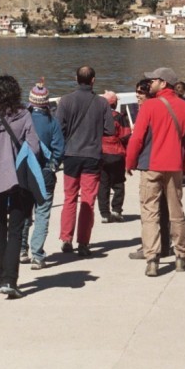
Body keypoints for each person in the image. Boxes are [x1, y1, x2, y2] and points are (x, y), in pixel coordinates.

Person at [125, 67, 185, 277]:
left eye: (153, 80)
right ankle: (181, 256)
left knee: (149, 213)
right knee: (177, 213)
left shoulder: (150, 106)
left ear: (163, 83)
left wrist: (129, 162)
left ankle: (152, 259)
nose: (150, 83)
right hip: (174, 166)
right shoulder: (184, 107)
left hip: (150, 166)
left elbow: (137, 138)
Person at [0, 75, 40, 299]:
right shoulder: (25, 116)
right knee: (15, 230)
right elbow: (34, 148)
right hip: (18, 180)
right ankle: (10, 280)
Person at [55, 65, 114, 257]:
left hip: (71, 155)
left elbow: (59, 129)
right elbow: (110, 130)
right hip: (92, 156)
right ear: (93, 80)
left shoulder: (65, 101)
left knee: (69, 198)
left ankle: (66, 238)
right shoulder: (102, 103)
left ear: (75, 78)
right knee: (88, 200)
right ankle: (83, 242)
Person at [20, 79, 65, 270]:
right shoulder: (52, 123)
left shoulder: (22, 120)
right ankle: (38, 255)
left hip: (24, 173)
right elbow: (60, 149)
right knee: (42, 213)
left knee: (23, 212)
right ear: (46, 102)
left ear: (30, 101)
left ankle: (21, 250)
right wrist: (53, 164)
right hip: (45, 174)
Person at [98, 90, 130, 223]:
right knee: (118, 184)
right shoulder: (119, 117)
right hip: (116, 154)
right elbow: (125, 135)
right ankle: (117, 210)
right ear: (115, 103)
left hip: (101, 154)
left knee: (103, 184)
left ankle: (104, 213)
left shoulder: (97, 117)